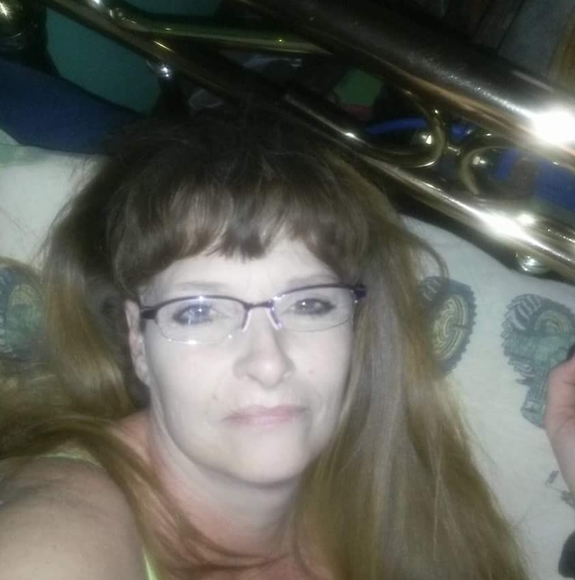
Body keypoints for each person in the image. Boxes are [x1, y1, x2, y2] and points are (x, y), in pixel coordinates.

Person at [0, 108, 532, 580]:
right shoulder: (63, 528)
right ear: (138, 339)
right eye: (199, 311)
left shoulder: (402, 494)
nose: (268, 363)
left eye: (309, 304)